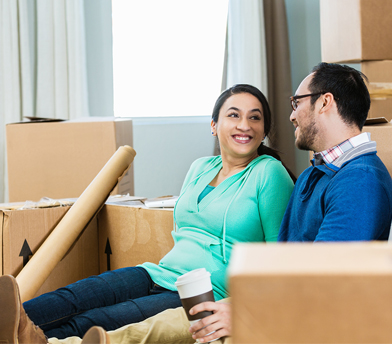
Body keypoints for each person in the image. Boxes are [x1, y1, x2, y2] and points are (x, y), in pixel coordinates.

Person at [47, 62, 392, 344]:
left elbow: (326, 279)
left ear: (325, 102)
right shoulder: (318, 173)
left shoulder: (359, 180)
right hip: (263, 299)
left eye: (297, 103)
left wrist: (244, 306)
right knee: (94, 309)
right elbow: (284, 262)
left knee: (148, 327)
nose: (292, 116)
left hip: (301, 318)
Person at [0, 84, 295, 343]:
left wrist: (241, 306)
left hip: (206, 292)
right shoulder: (200, 167)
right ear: (214, 125)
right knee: (71, 297)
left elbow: (278, 257)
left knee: (91, 322)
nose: (245, 124)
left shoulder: (269, 174)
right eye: (234, 115)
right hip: (160, 272)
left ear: (264, 130)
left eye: (254, 117)